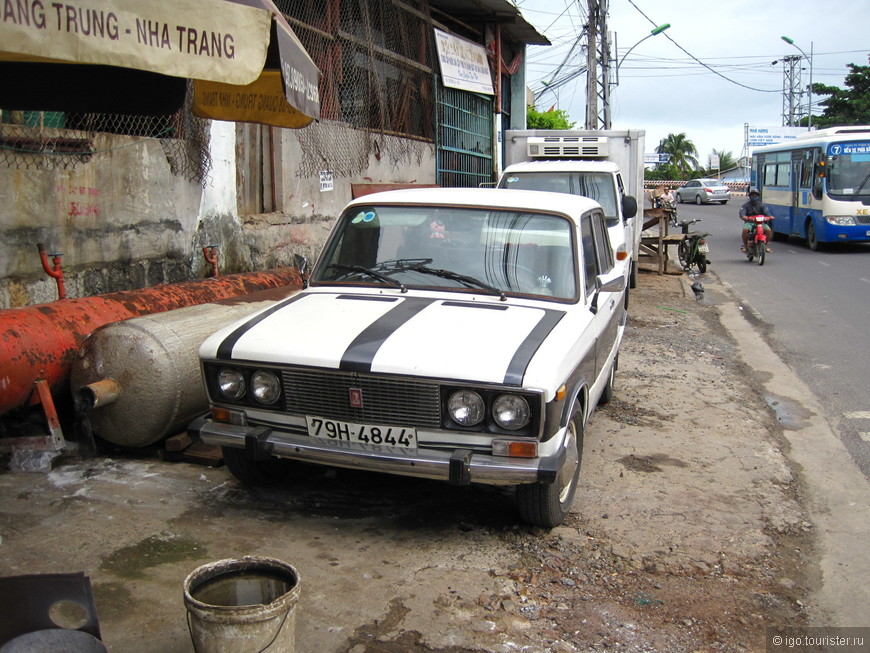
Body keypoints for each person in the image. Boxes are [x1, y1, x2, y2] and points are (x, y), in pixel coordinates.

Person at [739, 188, 772, 253]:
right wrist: (744, 216)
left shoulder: (762, 205)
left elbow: (766, 212)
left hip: (760, 223)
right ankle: (746, 247)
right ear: (750, 196)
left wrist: (769, 217)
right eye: (753, 195)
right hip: (750, 222)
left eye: (756, 196)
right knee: (745, 230)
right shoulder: (746, 205)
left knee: (768, 230)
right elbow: (742, 212)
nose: (754, 197)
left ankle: (765, 246)